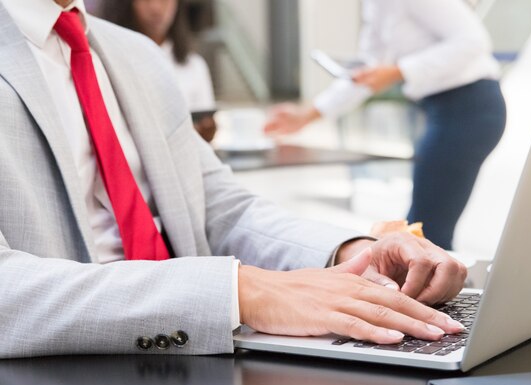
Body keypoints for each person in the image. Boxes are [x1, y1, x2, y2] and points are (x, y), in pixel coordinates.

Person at [0, 0, 466, 358]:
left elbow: (221, 208)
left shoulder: (134, 54)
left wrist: (354, 256)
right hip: (69, 376)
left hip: (200, 357)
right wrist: (239, 291)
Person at [265, 0, 507, 250]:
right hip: (445, 109)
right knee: (423, 227)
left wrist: (398, 71)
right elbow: (369, 71)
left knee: (426, 230)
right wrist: (307, 115)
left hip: (471, 109)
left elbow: (473, 41)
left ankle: (437, 285)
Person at [101, 0, 218, 142]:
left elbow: (204, 124)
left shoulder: (194, 66)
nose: (156, 8)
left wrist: (206, 131)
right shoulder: (108, 62)